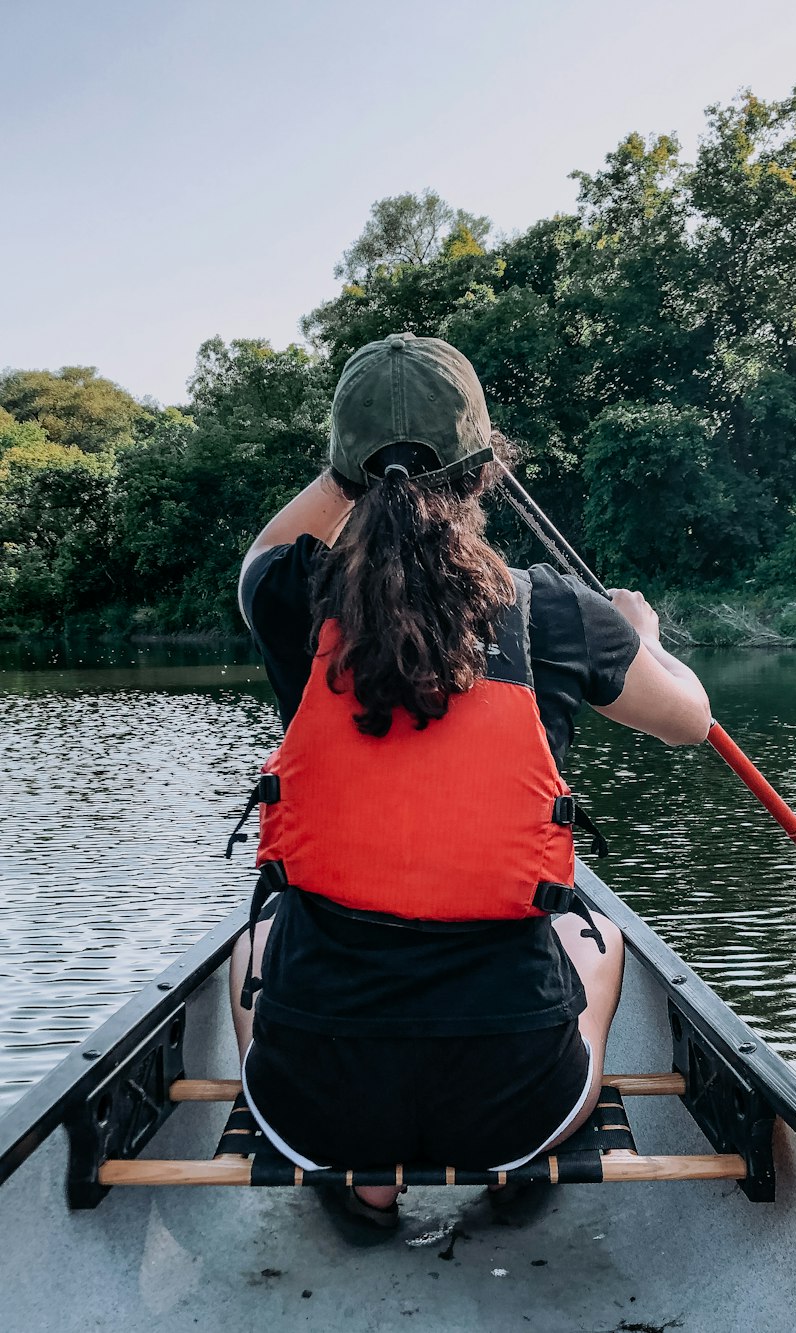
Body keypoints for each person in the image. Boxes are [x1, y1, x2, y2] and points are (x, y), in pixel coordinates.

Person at [229, 332, 711, 1226]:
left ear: (342, 476)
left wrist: (347, 473)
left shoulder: (289, 600)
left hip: (321, 1101)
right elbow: (692, 719)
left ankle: (365, 1182)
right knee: (599, 940)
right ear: (483, 471)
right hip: (511, 1103)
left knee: (251, 945)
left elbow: (262, 551)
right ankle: (511, 1165)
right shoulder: (557, 615)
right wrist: (642, 636)